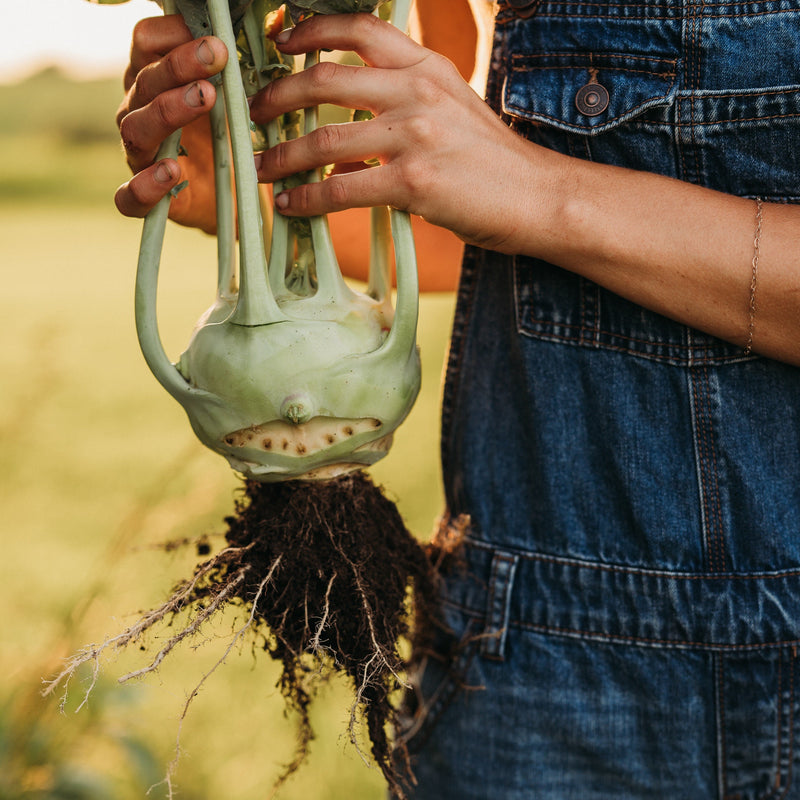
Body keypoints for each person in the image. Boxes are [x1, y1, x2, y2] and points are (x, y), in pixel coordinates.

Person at [115, 1, 800, 797]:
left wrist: (545, 192)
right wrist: (247, 190)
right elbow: (512, 240)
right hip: (514, 660)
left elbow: (528, 199)